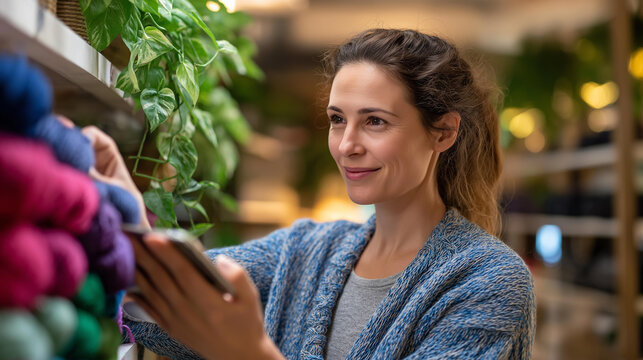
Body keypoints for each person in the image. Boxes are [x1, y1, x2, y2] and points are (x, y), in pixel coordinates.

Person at [93, 29, 535, 359]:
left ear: (443, 132)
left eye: (375, 121)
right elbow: (158, 304)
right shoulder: (305, 250)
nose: (347, 145)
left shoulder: (490, 282)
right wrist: (128, 215)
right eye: (338, 119)